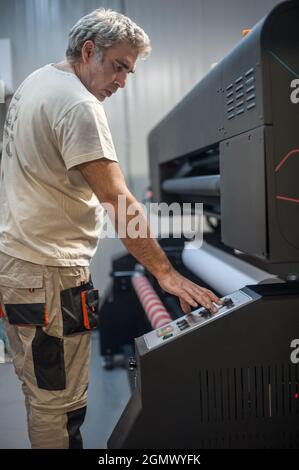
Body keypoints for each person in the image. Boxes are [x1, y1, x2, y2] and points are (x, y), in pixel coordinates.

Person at [0, 9, 222, 449]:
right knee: (58, 406)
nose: (123, 81)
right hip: (48, 278)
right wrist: (166, 273)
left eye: (130, 71)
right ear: (89, 52)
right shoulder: (80, 106)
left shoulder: (37, 82)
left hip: (20, 268)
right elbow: (119, 202)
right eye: (119, 65)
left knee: (42, 392)